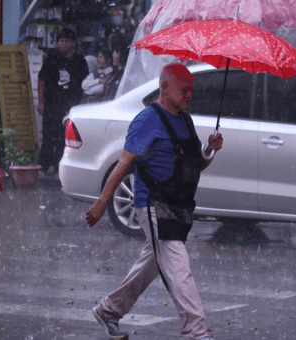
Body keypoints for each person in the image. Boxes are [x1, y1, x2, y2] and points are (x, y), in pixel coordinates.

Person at [85, 63, 223, 340]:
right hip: (152, 204)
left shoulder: (185, 120)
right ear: (164, 88)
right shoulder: (147, 120)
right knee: (179, 269)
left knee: (151, 264)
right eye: (184, 90)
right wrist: (102, 202)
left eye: (191, 90)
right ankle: (196, 333)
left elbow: (195, 164)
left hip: (179, 206)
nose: (189, 95)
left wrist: (209, 149)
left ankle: (108, 310)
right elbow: (123, 164)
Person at [37, 28, 89, 175]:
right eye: (61, 41)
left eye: (66, 41)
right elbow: (42, 80)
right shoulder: (51, 59)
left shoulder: (79, 61)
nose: (63, 44)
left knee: (65, 137)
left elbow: (86, 83)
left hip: (71, 105)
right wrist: (41, 102)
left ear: (73, 43)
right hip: (52, 103)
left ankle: (61, 166)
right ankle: (44, 166)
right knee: (48, 135)